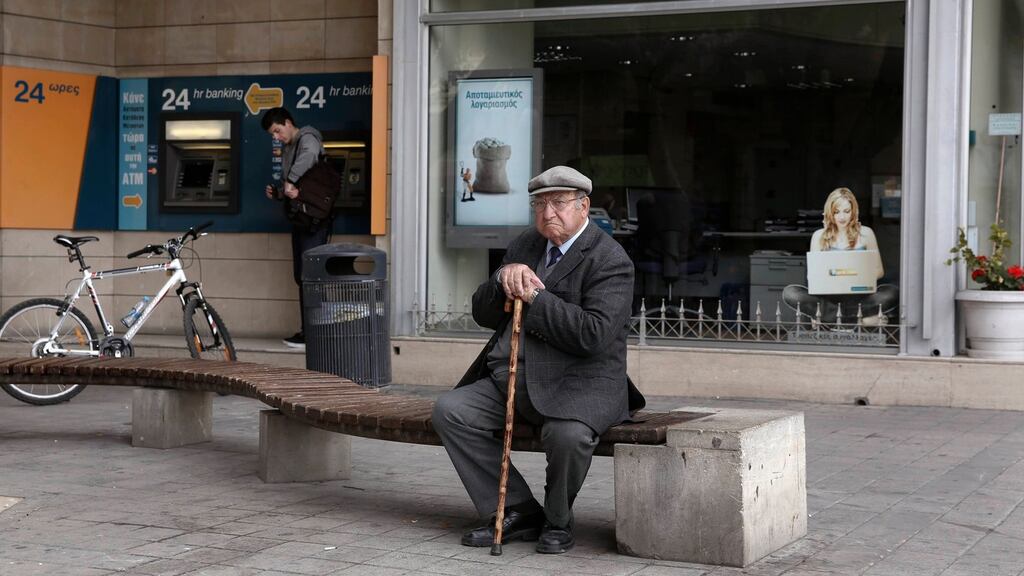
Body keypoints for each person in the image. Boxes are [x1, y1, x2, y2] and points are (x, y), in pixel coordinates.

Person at [432, 165, 645, 555]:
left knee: (567, 436)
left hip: (580, 382)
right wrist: (501, 281)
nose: (548, 213)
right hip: (512, 377)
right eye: (540, 204)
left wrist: (536, 299)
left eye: (559, 203)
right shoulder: (526, 244)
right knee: (451, 411)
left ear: (584, 207)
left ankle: (558, 519)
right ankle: (515, 510)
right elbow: (483, 314)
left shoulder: (610, 259)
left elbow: (593, 334)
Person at [261, 107, 329, 349]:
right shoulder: (290, 146)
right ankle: (309, 331)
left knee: (311, 276)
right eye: (273, 134)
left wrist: (289, 181)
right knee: (303, 275)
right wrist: (280, 192)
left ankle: (314, 334)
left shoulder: (307, 138)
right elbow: (298, 187)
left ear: (288, 123)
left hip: (313, 220)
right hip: (301, 217)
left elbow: (309, 157)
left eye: (277, 131)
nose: (276, 137)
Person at [783, 187, 898, 325]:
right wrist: (836, 276)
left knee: (892, 293)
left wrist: (854, 276)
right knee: (790, 293)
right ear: (830, 213)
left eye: (846, 211)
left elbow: (879, 271)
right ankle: (859, 320)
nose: (842, 217)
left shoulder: (866, 234)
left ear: (853, 211)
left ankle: (828, 318)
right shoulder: (819, 236)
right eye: (836, 212)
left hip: (859, 295)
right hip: (828, 297)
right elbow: (813, 275)